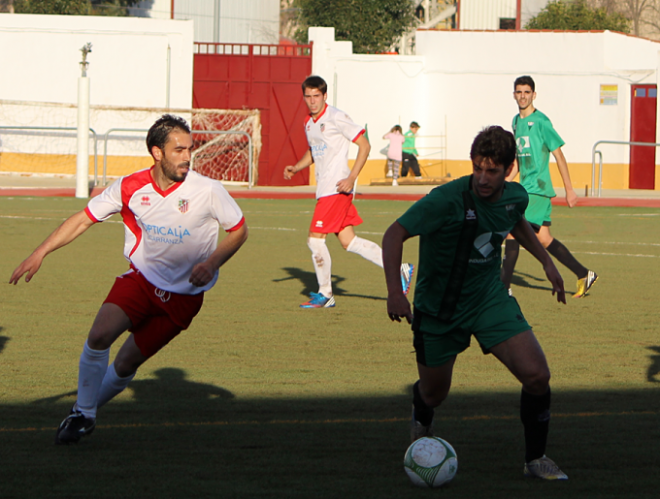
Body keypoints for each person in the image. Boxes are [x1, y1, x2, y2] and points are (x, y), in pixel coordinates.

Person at [9, 114, 248, 444]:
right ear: (157, 152)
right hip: (142, 280)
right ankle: (83, 414)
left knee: (124, 363)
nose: (187, 157)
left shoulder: (208, 190)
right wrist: (40, 252)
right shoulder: (129, 187)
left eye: (189, 149)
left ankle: (83, 410)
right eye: (178, 150)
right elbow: (83, 219)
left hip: (184, 299)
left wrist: (212, 262)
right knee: (99, 335)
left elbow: (239, 230)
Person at [383, 126, 569, 480]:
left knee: (537, 375)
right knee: (435, 394)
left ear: (509, 168)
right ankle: (421, 405)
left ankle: (535, 459)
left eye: (492, 171)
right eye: (477, 168)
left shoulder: (516, 196)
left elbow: (514, 219)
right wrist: (395, 291)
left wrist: (546, 261)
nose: (483, 179)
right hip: (439, 310)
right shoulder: (445, 199)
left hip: (488, 300)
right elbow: (394, 233)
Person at [284, 75, 414, 308]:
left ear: (325, 96)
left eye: (317, 96)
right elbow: (314, 151)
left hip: (336, 189)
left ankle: (325, 294)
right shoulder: (308, 122)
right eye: (308, 97)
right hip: (326, 189)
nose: (312, 101)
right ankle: (400, 269)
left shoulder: (336, 117)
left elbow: (364, 144)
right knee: (349, 241)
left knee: (315, 241)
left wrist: (351, 178)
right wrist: (296, 167)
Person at [502, 75, 597, 298]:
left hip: (537, 188)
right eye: (519, 92)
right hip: (527, 187)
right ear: (514, 95)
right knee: (544, 238)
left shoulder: (542, 122)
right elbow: (518, 159)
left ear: (534, 95)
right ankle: (584, 273)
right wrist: (506, 181)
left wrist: (569, 189)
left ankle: (503, 287)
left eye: (527, 92)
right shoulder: (516, 122)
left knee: (511, 233)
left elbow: (559, 156)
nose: (523, 96)